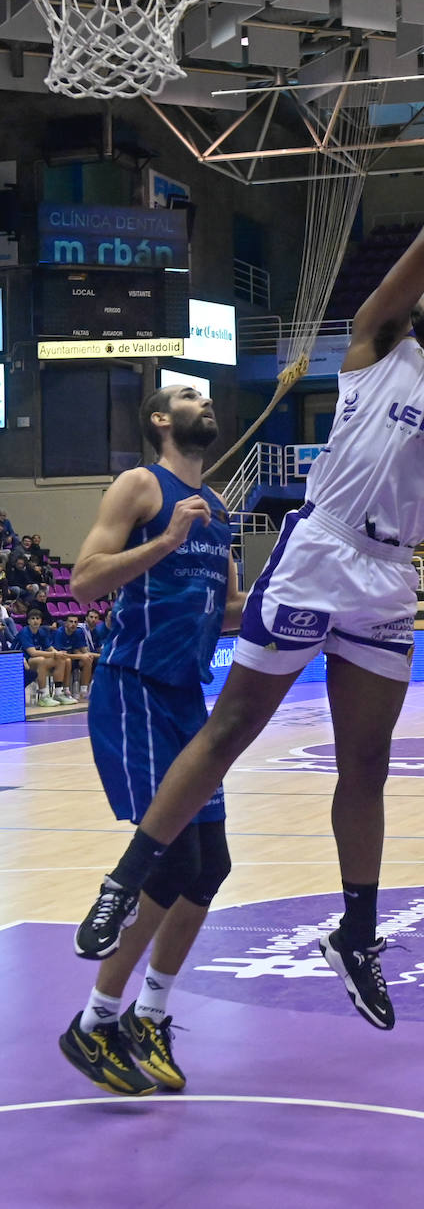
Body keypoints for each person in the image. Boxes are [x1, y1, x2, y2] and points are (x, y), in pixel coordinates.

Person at [72, 64, 424, 1035]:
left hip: (388, 577)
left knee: (368, 768)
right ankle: (122, 877)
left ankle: (355, 929)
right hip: (322, 550)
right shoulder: (372, 341)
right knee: (231, 731)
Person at [58, 384, 244, 1097]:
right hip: (132, 685)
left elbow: (222, 613)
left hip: (184, 697)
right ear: (162, 421)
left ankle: (148, 1014)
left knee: (211, 864)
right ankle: (94, 1021)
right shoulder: (142, 485)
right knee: (172, 860)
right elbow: (81, 583)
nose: (204, 400)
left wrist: (275, 600)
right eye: (188, 396)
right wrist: (164, 540)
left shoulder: (221, 512)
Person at [14, 609, 75, 706]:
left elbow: (50, 648)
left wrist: (59, 654)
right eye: (32, 618)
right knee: (41, 660)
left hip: (31, 661)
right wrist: (55, 654)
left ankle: (59, 693)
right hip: (18, 660)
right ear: (28, 621)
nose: (35, 621)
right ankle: (43, 696)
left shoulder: (41, 631)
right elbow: (33, 653)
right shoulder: (25, 632)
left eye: (37, 618)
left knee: (64, 659)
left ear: (41, 621)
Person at [52, 612, 96, 698]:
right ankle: (66, 690)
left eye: (76, 622)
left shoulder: (78, 632)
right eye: (71, 622)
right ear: (65, 623)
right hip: (59, 660)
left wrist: (89, 655)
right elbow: (61, 655)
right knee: (67, 660)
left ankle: (83, 690)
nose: (73, 624)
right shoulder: (59, 633)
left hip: (73, 658)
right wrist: (81, 656)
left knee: (88, 660)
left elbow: (82, 650)